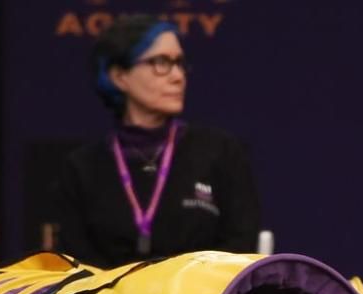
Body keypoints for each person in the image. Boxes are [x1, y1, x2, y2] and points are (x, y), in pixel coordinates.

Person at [52, 15, 261, 268]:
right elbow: (76, 266)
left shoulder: (222, 152)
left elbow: (238, 251)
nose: (177, 76)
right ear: (120, 77)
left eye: (180, 63)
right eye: (161, 62)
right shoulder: (81, 168)